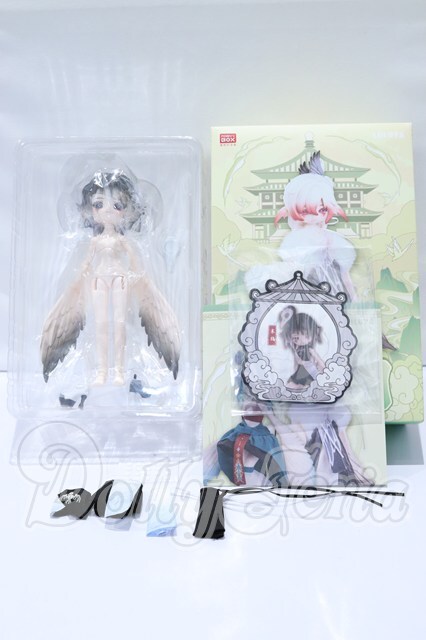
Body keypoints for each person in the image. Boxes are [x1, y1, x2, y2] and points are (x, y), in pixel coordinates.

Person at [41, 169, 180, 386]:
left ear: (127, 211)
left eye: (117, 205)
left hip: (120, 281)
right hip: (98, 281)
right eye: (99, 204)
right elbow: (86, 264)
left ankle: (119, 372)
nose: (107, 210)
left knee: (120, 324)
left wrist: (144, 284)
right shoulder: (95, 242)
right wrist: (75, 287)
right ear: (90, 210)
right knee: (101, 325)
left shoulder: (123, 241)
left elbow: (135, 265)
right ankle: (102, 372)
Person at [278, 305, 325, 389]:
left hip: (309, 372)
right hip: (300, 371)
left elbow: (318, 360)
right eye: (295, 336)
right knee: (291, 385)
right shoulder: (296, 347)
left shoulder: (310, 349)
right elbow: (297, 360)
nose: (297, 338)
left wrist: (325, 370)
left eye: (304, 335)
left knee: (307, 387)